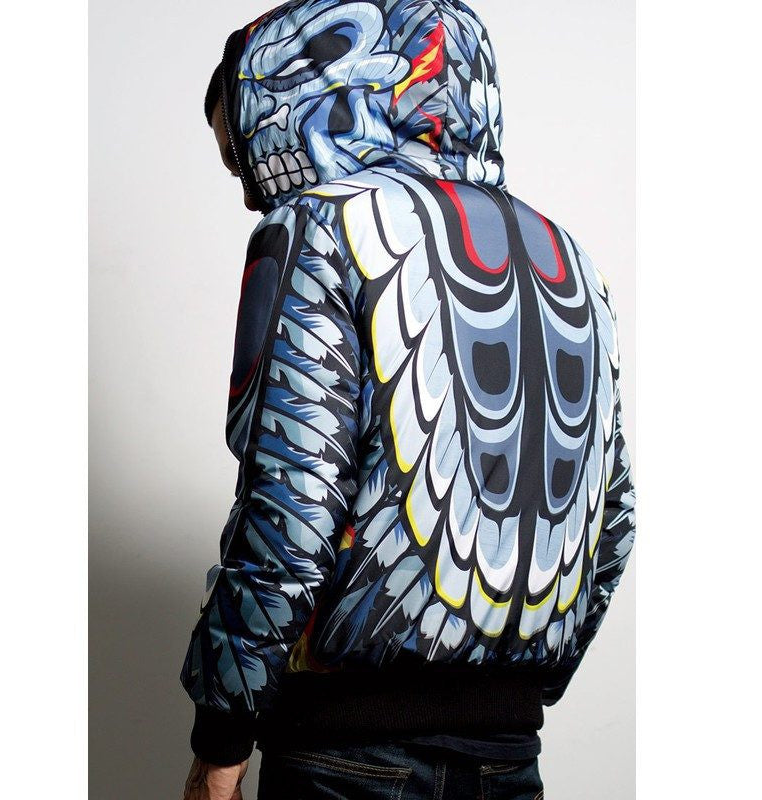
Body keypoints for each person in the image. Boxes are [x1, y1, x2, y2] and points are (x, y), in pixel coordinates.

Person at [181, 1, 636, 798]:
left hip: (345, 757)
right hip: (508, 754)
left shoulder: (317, 228)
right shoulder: (568, 258)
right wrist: (510, 687)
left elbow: (291, 508)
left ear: (302, 107)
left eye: (244, 156)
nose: (252, 195)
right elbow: (615, 517)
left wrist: (220, 744)